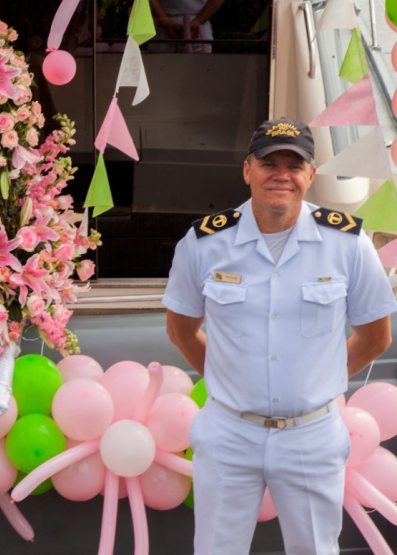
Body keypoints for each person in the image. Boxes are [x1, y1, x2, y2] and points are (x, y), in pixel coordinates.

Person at [163, 118, 396, 554]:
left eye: (295, 165)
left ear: (311, 174)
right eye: (270, 163)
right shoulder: (204, 242)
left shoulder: (347, 243)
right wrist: (233, 383)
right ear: (247, 170)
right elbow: (181, 330)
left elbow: (375, 337)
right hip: (229, 432)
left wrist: (314, 382)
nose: (282, 175)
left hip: (312, 434)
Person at [149, 0, 225, 53]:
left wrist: (200, 21)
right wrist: (166, 24)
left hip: (199, 28)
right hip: (162, 27)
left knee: (201, 68)